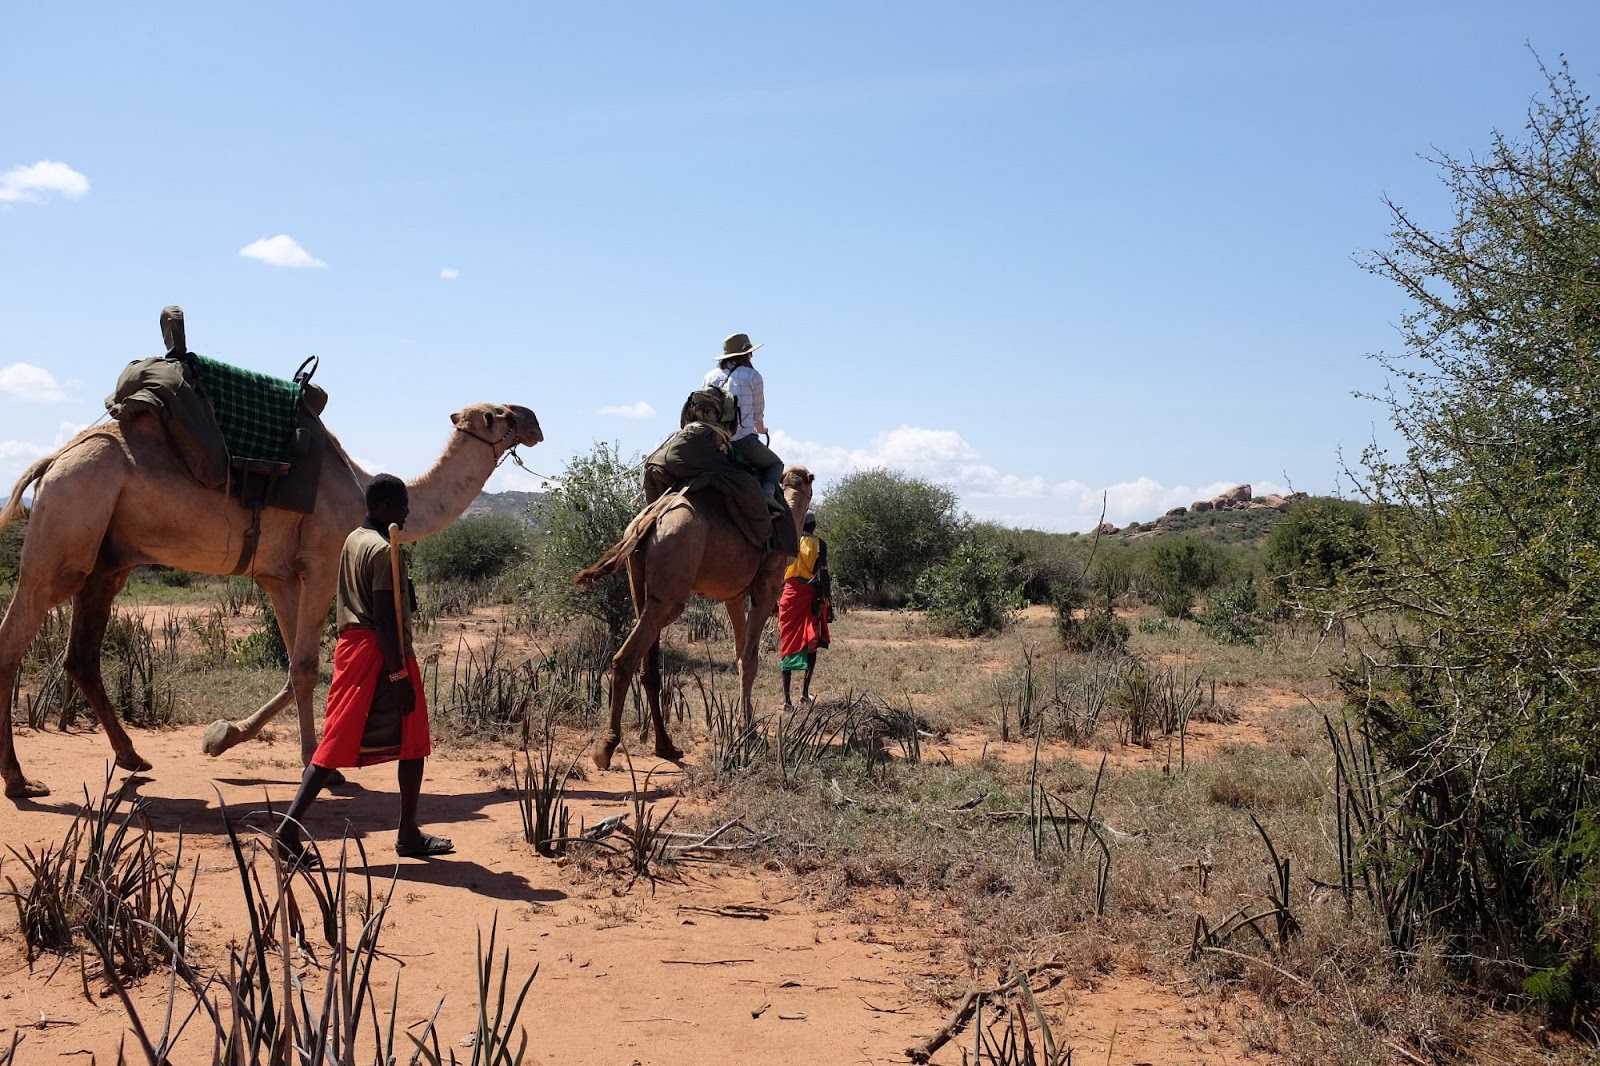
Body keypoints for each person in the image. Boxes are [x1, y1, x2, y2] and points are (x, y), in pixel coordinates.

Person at [274, 473, 454, 865]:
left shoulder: (354, 540)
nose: (407, 513)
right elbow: (386, 620)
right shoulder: (384, 550)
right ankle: (287, 831)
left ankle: (408, 834)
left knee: (412, 739)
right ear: (387, 506)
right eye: (403, 505)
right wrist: (398, 675)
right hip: (380, 650)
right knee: (336, 743)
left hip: (353, 647)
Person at [703, 332, 784, 506]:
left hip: (711, 440)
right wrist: (763, 431)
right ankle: (767, 497)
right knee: (776, 465)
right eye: (750, 353)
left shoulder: (709, 377)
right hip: (741, 440)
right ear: (746, 354)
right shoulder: (753, 376)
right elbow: (757, 417)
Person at [778, 511, 832, 709]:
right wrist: (827, 602)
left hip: (789, 596)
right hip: (810, 598)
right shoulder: (819, 545)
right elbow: (822, 574)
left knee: (788, 643)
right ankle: (804, 693)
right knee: (811, 642)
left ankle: (786, 700)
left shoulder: (788, 543)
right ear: (814, 525)